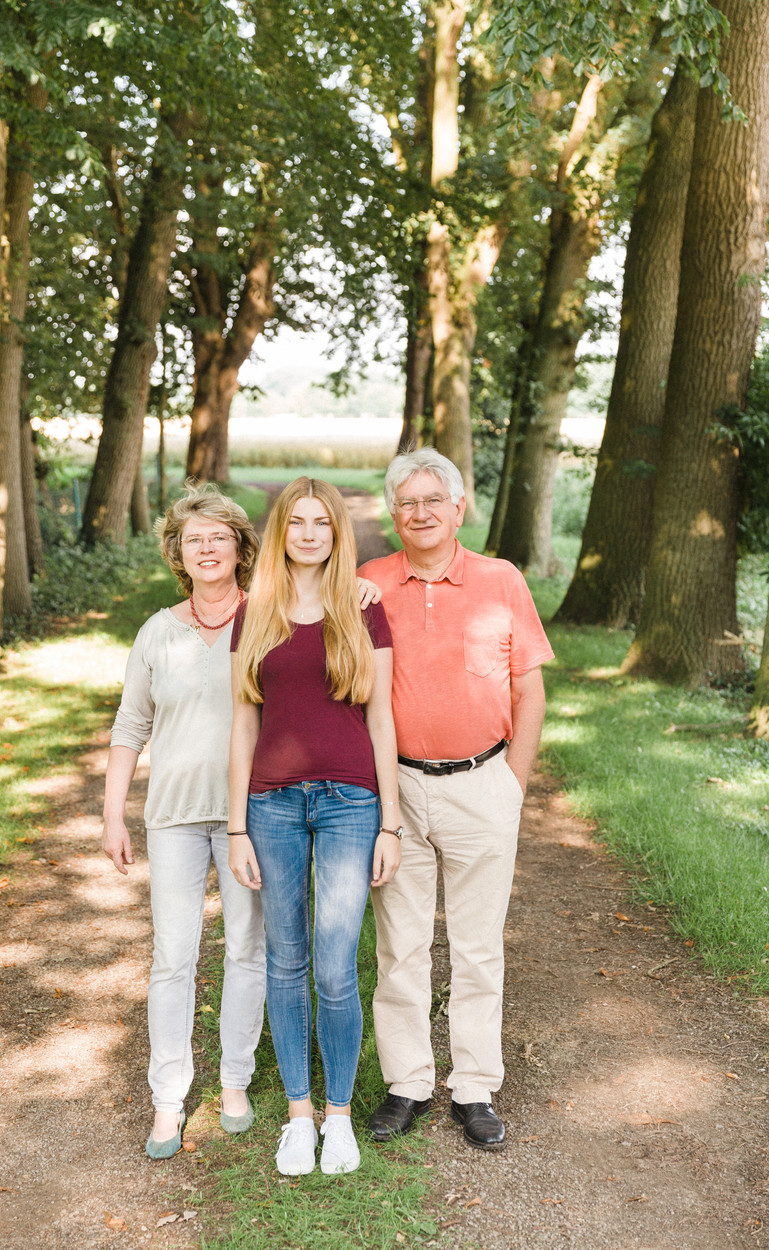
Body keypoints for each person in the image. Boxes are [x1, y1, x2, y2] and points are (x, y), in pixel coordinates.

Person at [359, 449, 554, 1152]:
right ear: (393, 512)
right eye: (406, 503)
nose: (419, 514)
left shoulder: (501, 581)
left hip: (482, 783)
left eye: (431, 501)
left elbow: (528, 689)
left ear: (458, 508)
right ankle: (408, 1081)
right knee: (400, 946)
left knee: (476, 949)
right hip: (397, 789)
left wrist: (513, 784)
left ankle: (473, 1086)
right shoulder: (368, 584)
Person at [228, 477, 402, 1177]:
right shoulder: (256, 613)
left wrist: (389, 822)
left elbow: (381, 717)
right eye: (294, 522)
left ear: (337, 532)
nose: (307, 533)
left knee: (335, 965)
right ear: (280, 533)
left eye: (319, 522)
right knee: (285, 956)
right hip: (270, 804)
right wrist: (237, 823)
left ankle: (339, 1116)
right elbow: (242, 719)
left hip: (348, 803)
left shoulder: (363, 609)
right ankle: (298, 1115)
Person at [102, 483, 266, 1160]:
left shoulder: (267, 620)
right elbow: (130, 726)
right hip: (170, 817)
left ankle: (233, 1082)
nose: (205, 548)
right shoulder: (156, 630)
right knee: (173, 959)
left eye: (218, 537)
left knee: (246, 951)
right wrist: (113, 814)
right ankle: (168, 1097)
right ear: (179, 551)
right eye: (193, 538)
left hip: (248, 819)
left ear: (238, 548)